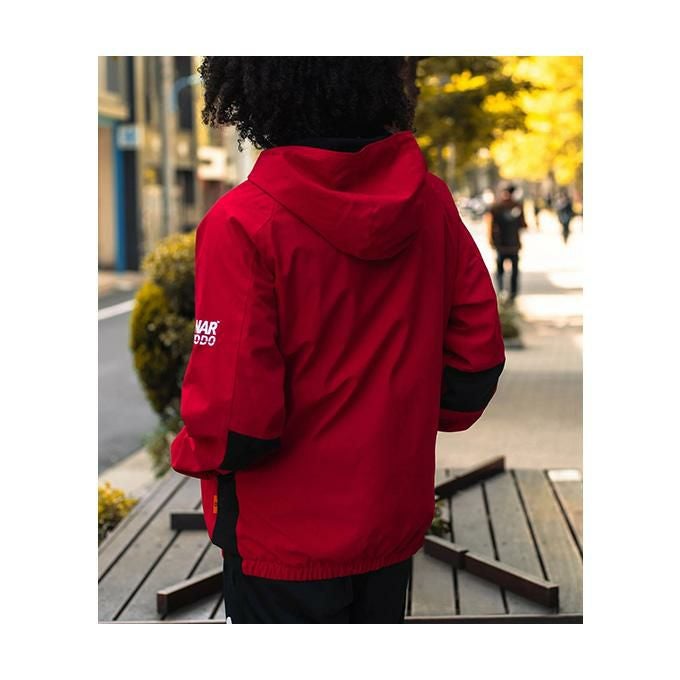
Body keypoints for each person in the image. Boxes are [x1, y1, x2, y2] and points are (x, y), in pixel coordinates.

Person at [170, 57, 506, 624]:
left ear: (254, 94)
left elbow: (233, 423)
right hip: (390, 520)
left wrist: (187, 453)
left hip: (281, 539)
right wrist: (400, 422)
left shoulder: (243, 222)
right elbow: (476, 361)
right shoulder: (431, 204)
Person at [485, 182, 527, 302]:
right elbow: (523, 225)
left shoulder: (495, 207)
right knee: (511, 270)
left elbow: (490, 226)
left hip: (502, 245)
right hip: (511, 245)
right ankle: (511, 292)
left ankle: (502, 291)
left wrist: (491, 241)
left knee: (501, 270)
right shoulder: (517, 206)